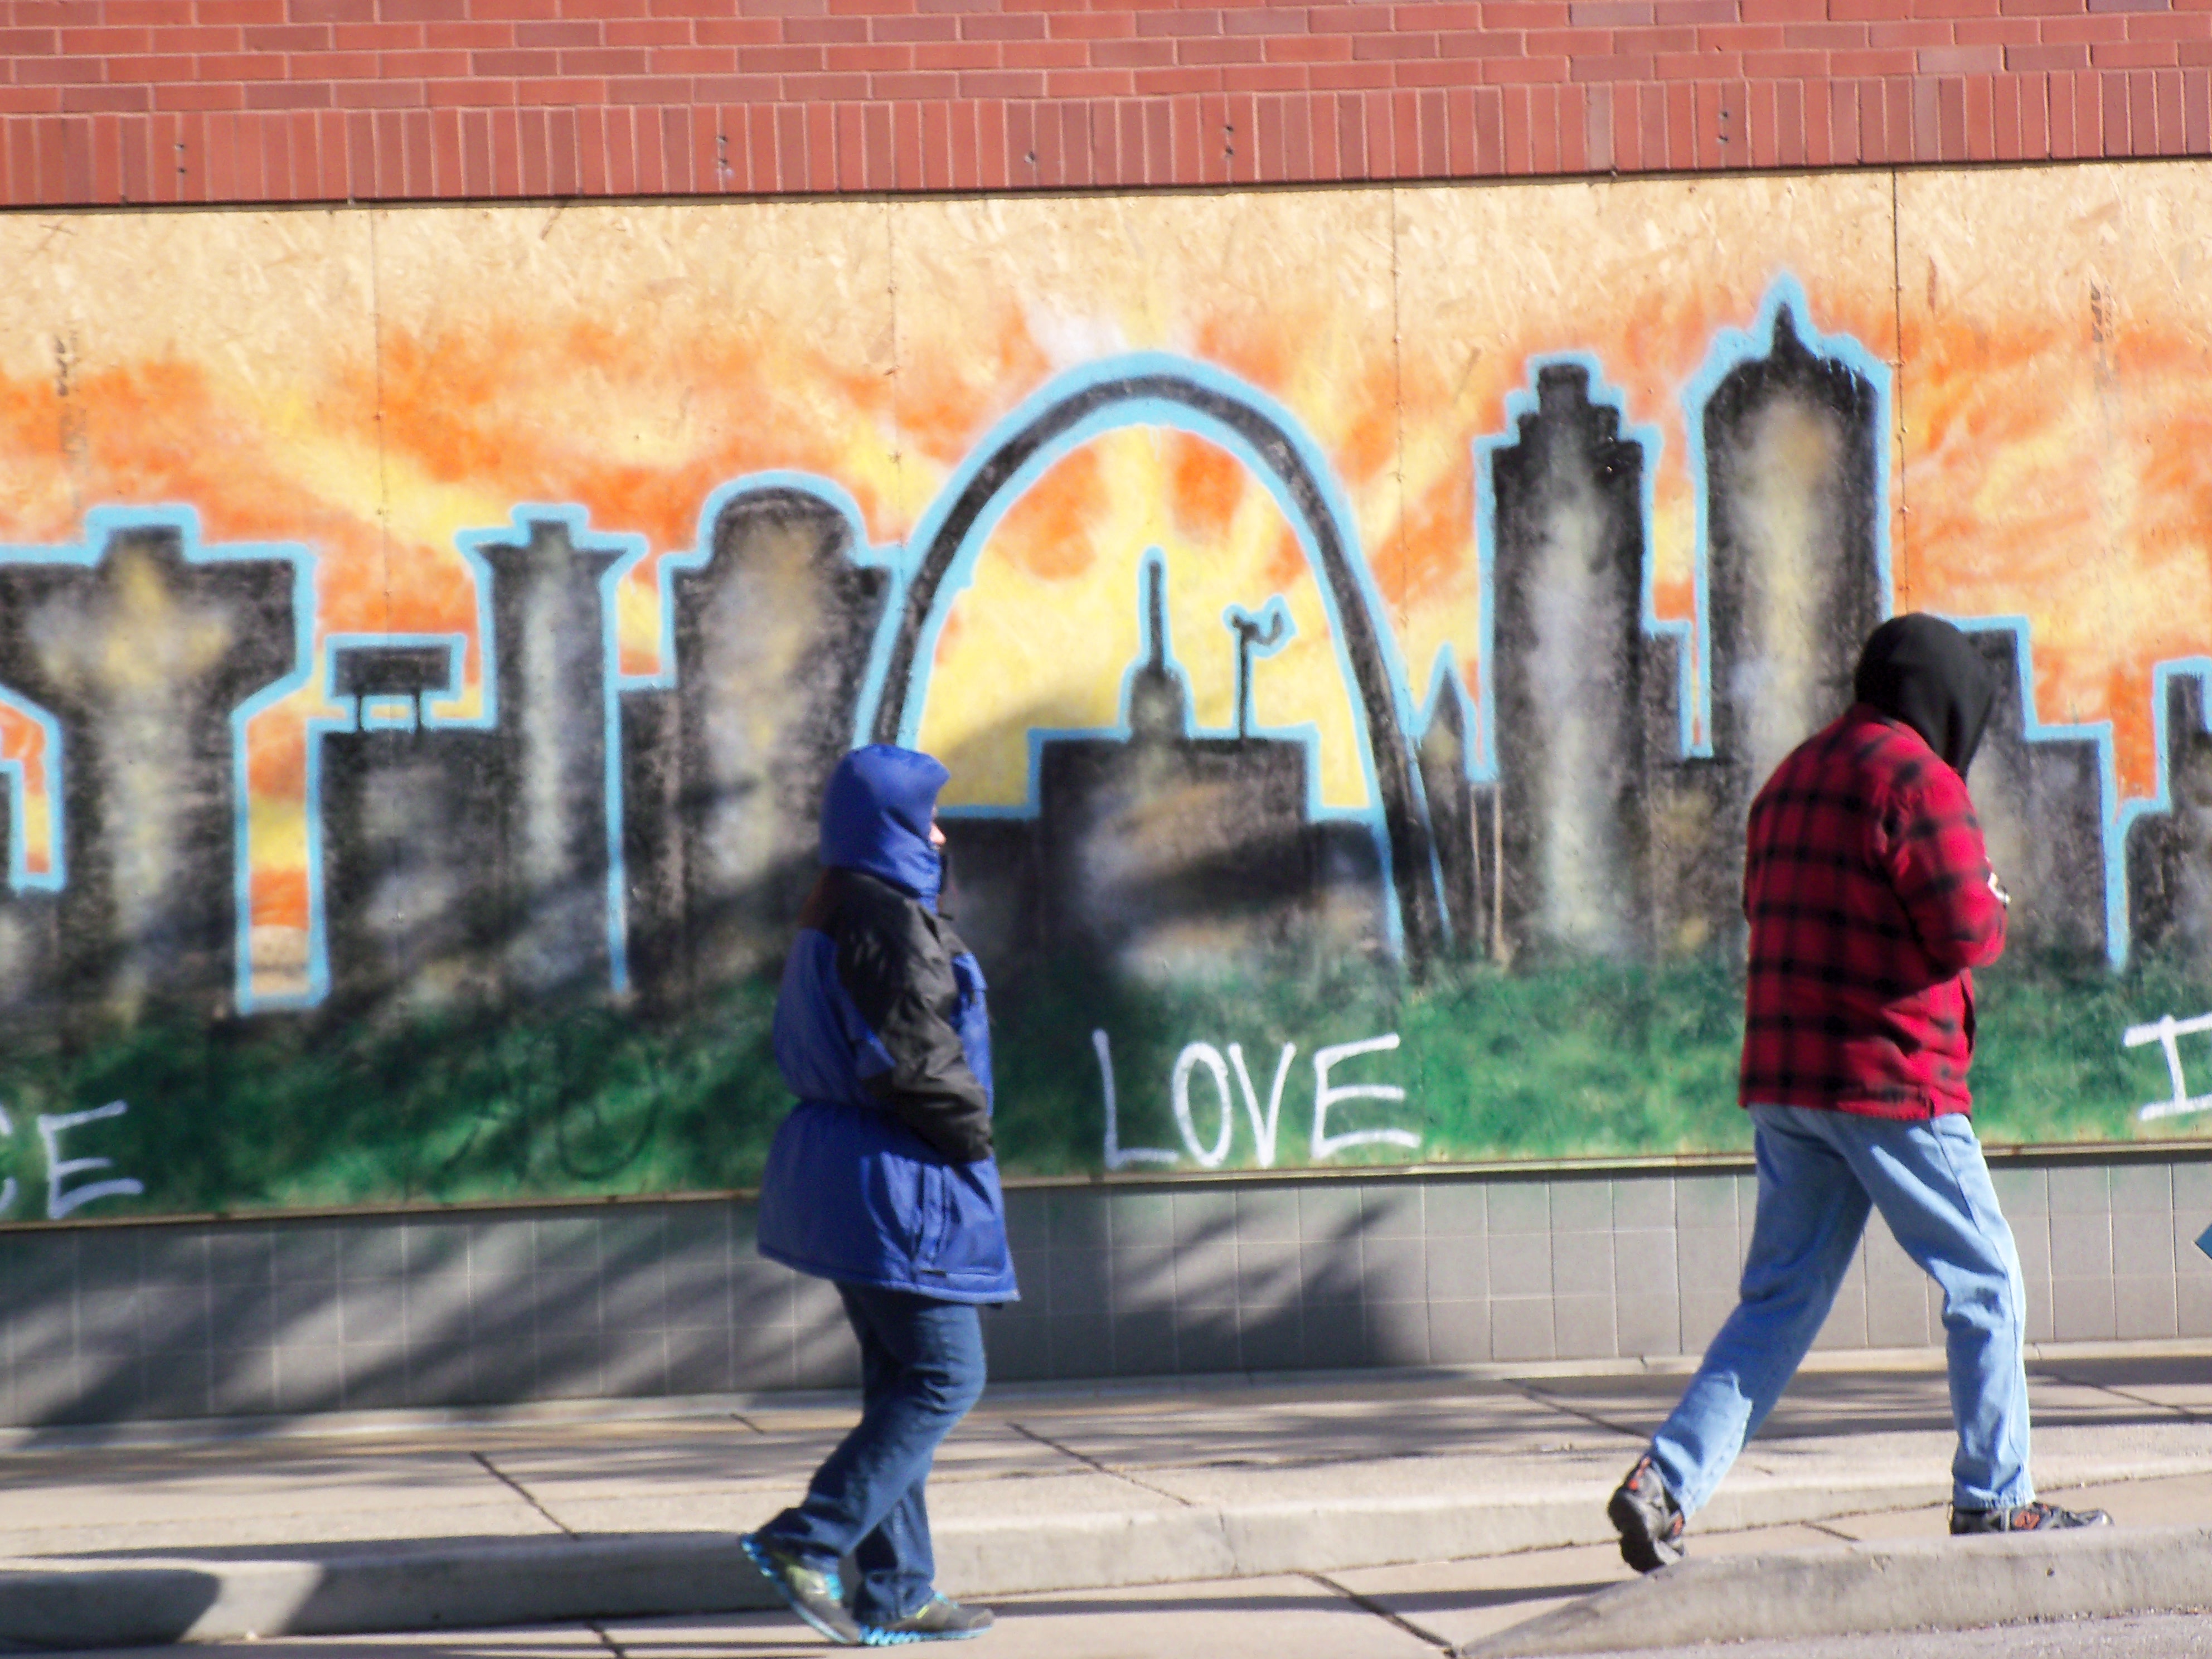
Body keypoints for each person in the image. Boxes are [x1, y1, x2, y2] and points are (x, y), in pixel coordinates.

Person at [1608, 615, 2109, 1573]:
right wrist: (1996, 901)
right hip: (1893, 1082)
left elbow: (1770, 908)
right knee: (1986, 1280)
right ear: (1948, 698)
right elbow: (1966, 927)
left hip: (1789, 1084)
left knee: (1779, 1301)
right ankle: (1998, 1503)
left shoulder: (1790, 777)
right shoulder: (1919, 780)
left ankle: (1664, 1484)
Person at [743, 744, 1015, 1645]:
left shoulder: (843, 907)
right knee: (947, 1374)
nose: (940, 834)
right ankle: (806, 1540)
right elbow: (914, 1060)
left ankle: (899, 1590)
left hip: (855, 1179)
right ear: (890, 825)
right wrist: (973, 1137)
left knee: (899, 1379)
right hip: (899, 1185)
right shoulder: (882, 919)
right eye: (927, 817)